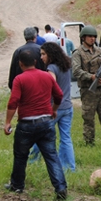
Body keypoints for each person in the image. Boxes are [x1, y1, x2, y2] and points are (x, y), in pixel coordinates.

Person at [3, 50, 67, 200]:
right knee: (51, 156)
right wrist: (54, 110)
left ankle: (17, 185)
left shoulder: (19, 79)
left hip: (26, 124)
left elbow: (13, 102)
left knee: (20, 156)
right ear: (36, 62)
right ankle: (61, 188)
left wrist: (7, 122)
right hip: (46, 122)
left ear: (20, 64)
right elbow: (59, 95)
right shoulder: (46, 76)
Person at [29, 42, 76, 172]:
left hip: (54, 108)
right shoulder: (65, 66)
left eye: (43, 54)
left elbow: (50, 85)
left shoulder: (51, 68)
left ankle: (31, 161)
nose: (41, 57)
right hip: (67, 107)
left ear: (50, 54)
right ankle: (69, 167)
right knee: (66, 138)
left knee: (40, 135)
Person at [71, 25, 101, 146]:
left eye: (94, 36)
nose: (92, 39)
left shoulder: (100, 51)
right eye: (89, 36)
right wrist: (91, 77)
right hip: (88, 90)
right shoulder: (78, 53)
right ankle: (89, 142)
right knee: (88, 117)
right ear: (83, 37)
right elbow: (76, 71)